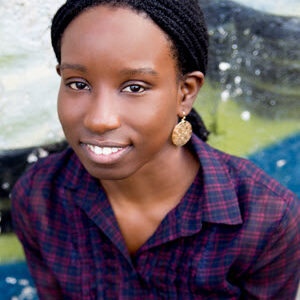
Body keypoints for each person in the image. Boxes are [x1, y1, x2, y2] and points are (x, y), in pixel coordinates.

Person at [11, 0, 300, 299]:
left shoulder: (266, 219)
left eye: (135, 87)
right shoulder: (38, 198)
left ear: (184, 93)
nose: (99, 119)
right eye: (78, 84)